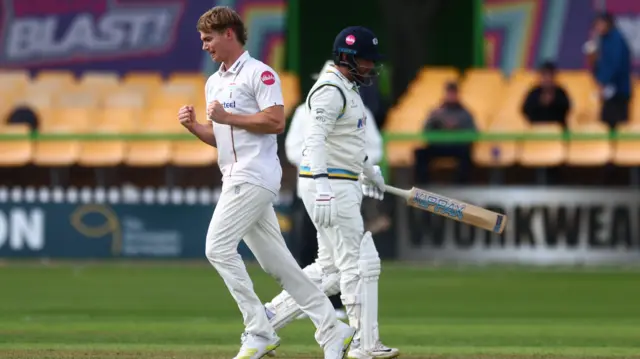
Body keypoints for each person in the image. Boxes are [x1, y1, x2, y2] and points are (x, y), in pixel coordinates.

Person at [176, 7, 355, 359]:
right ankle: (333, 329)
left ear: (229, 33)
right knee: (281, 266)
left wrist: (228, 116)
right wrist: (195, 128)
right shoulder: (215, 80)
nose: (204, 46)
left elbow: (275, 122)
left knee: (217, 248)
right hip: (234, 176)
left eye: (208, 38)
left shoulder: (261, 73)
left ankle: (259, 330)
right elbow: (224, 137)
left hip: (255, 175)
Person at [264, 26, 399, 359]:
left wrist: (369, 172)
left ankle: (266, 318)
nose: (371, 66)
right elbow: (315, 141)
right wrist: (323, 187)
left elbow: (347, 144)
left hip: (343, 182)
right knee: (356, 263)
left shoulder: (348, 90)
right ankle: (364, 345)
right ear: (347, 58)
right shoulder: (329, 90)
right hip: (331, 186)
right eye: (366, 60)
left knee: (330, 269)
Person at [285, 60, 384, 321]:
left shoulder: (355, 105)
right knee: (341, 261)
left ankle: (271, 315)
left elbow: (365, 148)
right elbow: (301, 147)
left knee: (332, 264)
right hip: (321, 188)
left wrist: (370, 173)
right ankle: (363, 338)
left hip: (345, 186)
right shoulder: (316, 103)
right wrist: (323, 180)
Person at [413, 81, 476, 184]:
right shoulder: (436, 113)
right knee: (420, 153)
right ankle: (423, 185)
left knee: (466, 153)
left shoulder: (465, 114)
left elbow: (473, 132)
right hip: (439, 146)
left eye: (453, 93)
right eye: (449, 93)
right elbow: (426, 130)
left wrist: (457, 129)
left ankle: (462, 185)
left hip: (458, 146)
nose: (451, 96)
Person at [585, 12, 632, 130]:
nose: (597, 27)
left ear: (608, 23)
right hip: (609, 91)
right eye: (596, 25)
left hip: (618, 91)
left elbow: (615, 65)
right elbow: (601, 64)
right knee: (606, 125)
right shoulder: (603, 40)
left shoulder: (616, 39)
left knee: (618, 127)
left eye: (600, 24)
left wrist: (604, 81)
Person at [521, 61, 571, 128]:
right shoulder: (534, 92)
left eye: (550, 75)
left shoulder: (560, 92)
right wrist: (540, 102)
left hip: (558, 130)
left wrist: (553, 101)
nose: (547, 79)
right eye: (544, 75)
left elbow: (567, 109)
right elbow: (525, 110)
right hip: (536, 130)